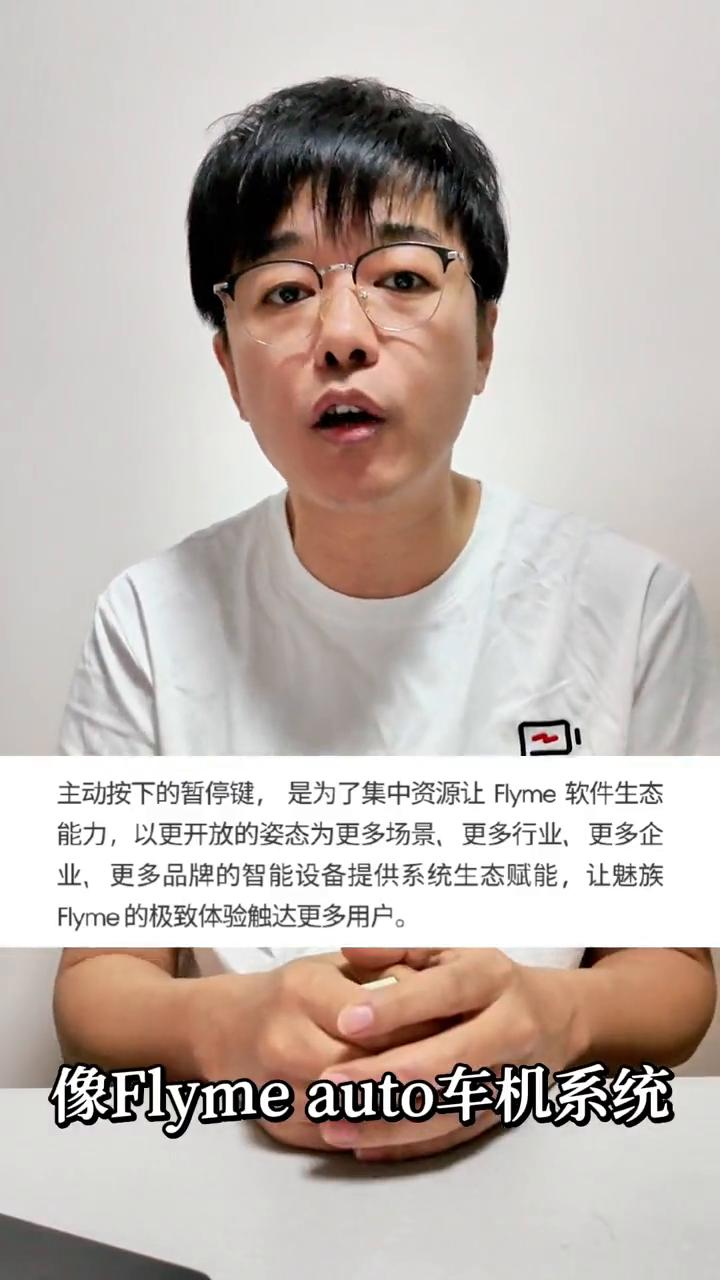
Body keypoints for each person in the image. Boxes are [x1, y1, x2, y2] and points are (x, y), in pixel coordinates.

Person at [54, 76, 719, 1162]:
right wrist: (228, 1022)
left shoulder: (631, 604)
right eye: (283, 291)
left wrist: (555, 1014)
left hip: (546, 1176)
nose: (342, 336)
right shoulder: (149, 617)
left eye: (402, 278)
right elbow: (97, 980)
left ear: (486, 337)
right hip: (235, 1184)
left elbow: (675, 971)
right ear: (229, 368)